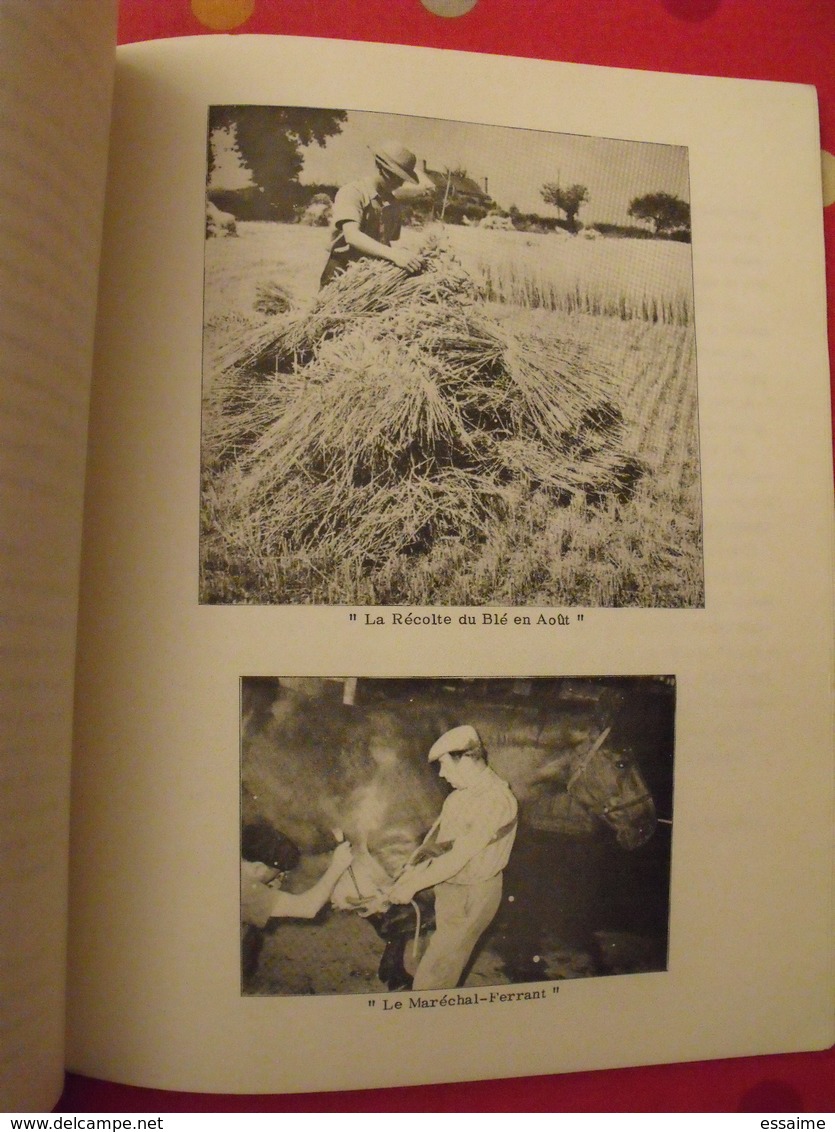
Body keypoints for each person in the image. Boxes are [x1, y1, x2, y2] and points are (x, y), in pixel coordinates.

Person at [385, 725, 518, 991]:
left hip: (474, 894)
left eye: (445, 765)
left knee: (437, 972)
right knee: (431, 956)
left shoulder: (496, 801)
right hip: (449, 887)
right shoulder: (458, 798)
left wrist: (413, 886)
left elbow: (459, 856)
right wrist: (411, 872)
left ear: (467, 759)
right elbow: (435, 845)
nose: (442, 774)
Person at [319, 140, 425, 288]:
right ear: (380, 167)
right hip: (341, 273)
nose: (400, 183)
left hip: (372, 275)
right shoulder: (353, 192)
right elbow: (352, 236)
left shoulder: (393, 205)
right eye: (395, 176)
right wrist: (394, 255)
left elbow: (388, 241)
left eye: (403, 179)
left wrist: (406, 254)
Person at [241, 822, 353, 928]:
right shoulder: (246, 890)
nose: (279, 879)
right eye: (278, 874)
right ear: (258, 869)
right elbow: (307, 908)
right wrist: (337, 866)